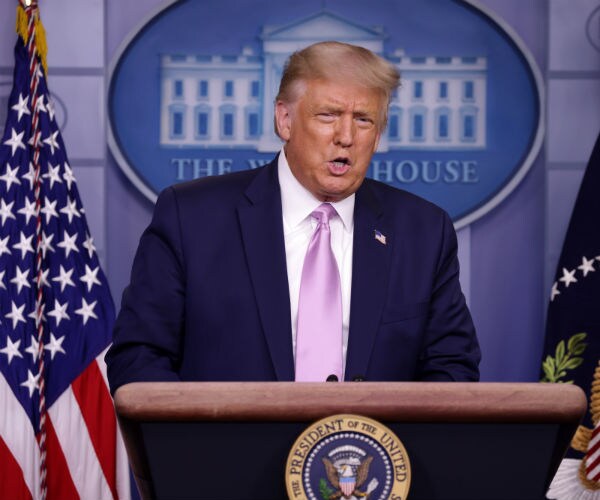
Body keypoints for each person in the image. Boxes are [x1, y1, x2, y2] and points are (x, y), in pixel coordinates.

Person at [105, 41, 480, 393]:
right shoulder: (191, 218)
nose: (346, 136)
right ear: (284, 120)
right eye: (328, 115)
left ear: (378, 135)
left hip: (368, 461)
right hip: (227, 458)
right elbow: (139, 359)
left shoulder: (423, 232)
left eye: (364, 120)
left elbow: (452, 370)